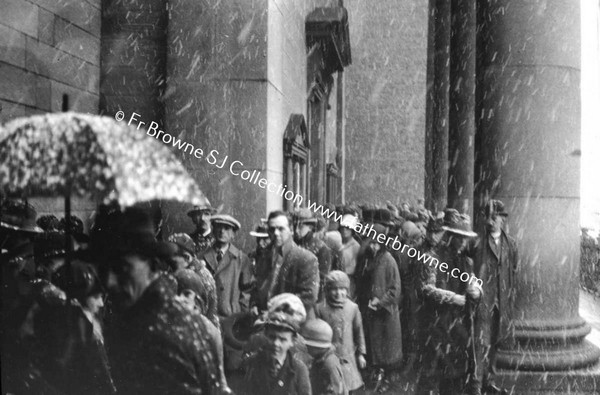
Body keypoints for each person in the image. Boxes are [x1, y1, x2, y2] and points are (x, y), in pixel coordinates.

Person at [96, 207, 221, 395]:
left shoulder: (175, 328)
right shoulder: (129, 316)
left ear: (149, 264)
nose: (111, 281)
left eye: (122, 267)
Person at [414, 209, 481, 395]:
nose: (463, 242)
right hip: (436, 325)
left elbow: (475, 283)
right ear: (450, 236)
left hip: (459, 326)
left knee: (457, 375)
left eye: (465, 238)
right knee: (432, 375)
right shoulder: (433, 257)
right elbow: (427, 288)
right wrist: (454, 298)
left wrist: (476, 292)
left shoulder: (466, 262)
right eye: (459, 237)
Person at [471, 200, 517, 395]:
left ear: (502, 220)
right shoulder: (477, 243)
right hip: (483, 301)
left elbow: (513, 272)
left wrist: (507, 298)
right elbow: (468, 269)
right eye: (488, 217)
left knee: (496, 342)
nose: (490, 221)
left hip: (502, 303)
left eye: (495, 217)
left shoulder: (511, 245)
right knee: (481, 343)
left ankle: (490, 380)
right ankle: (476, 384)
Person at [354, 224, 402, 392]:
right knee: (375, 347)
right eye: (371, 243)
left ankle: (387, 380)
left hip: (385, 314)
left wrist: (380, 302)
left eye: (377, 243)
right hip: (372, 311)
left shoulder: (388, 260)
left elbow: (395, 291)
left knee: (386, 350)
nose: (373, 247)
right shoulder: (370, 258)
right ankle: (377, 375)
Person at [174, 268, 231, 392]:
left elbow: (218, 378)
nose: (179, 299)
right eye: (175, 293)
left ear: (196, 301)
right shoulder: (164, 325)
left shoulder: (209, 332)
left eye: (186, 294)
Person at [244, 293, 311, 395]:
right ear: (265, 335)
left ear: (292, 341)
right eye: (272, 337)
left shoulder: (299, 370)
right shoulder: (252, 363)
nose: (276, 343)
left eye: (283, 339)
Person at [254, 210, 320, 315]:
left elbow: (308, 297)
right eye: (272, 229)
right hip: (265, 319)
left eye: (281, 229)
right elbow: (257, 287)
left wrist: (277, 312)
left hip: (293, 320)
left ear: (291, 230)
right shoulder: (264, 256)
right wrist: (254, 305)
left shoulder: (306, 258)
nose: (275, 233)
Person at [316, 271, 366, 393]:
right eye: (334, 289)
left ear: (347, 290)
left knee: (349, 385)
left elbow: (359, 332)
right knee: (331, 386)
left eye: (342, 289)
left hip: (347, 355)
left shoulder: (352, 308)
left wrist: (361, 354)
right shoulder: (320, 308)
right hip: (327, 357)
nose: (339, 293)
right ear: (327, 290)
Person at [202, 214, 254, 318]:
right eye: (218, 227)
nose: (222, 231)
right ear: (213, 230)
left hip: (231, 317)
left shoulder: (242, 259)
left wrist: (241, 313)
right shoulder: (202, 257)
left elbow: (248, 290)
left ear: (233, 234)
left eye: (227, 228)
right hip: (208, 315)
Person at [168, 232, 220, 328]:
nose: (170, 268)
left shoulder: (197, 279)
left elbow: (193, 318)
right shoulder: (194, 270)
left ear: (187, 257)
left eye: (173, 263)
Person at [294, 208, 332, 299]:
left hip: (310, 298)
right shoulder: (291, 244)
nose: (296, 230)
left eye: (300, 227)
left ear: (310, 227)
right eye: (294, 226)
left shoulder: (321, 248)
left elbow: (322, 280)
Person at [302, 319, 347, 395]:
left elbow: (335, 391)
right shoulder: (320, 358)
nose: (306, 348)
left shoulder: (329, 364)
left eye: (309, 346)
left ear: (318, 347)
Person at [339, 214, 360, 299]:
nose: (344, 230)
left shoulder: (356, 246)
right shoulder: (337, 242)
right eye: (343, 228)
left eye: (347, 228)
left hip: (349, 281)